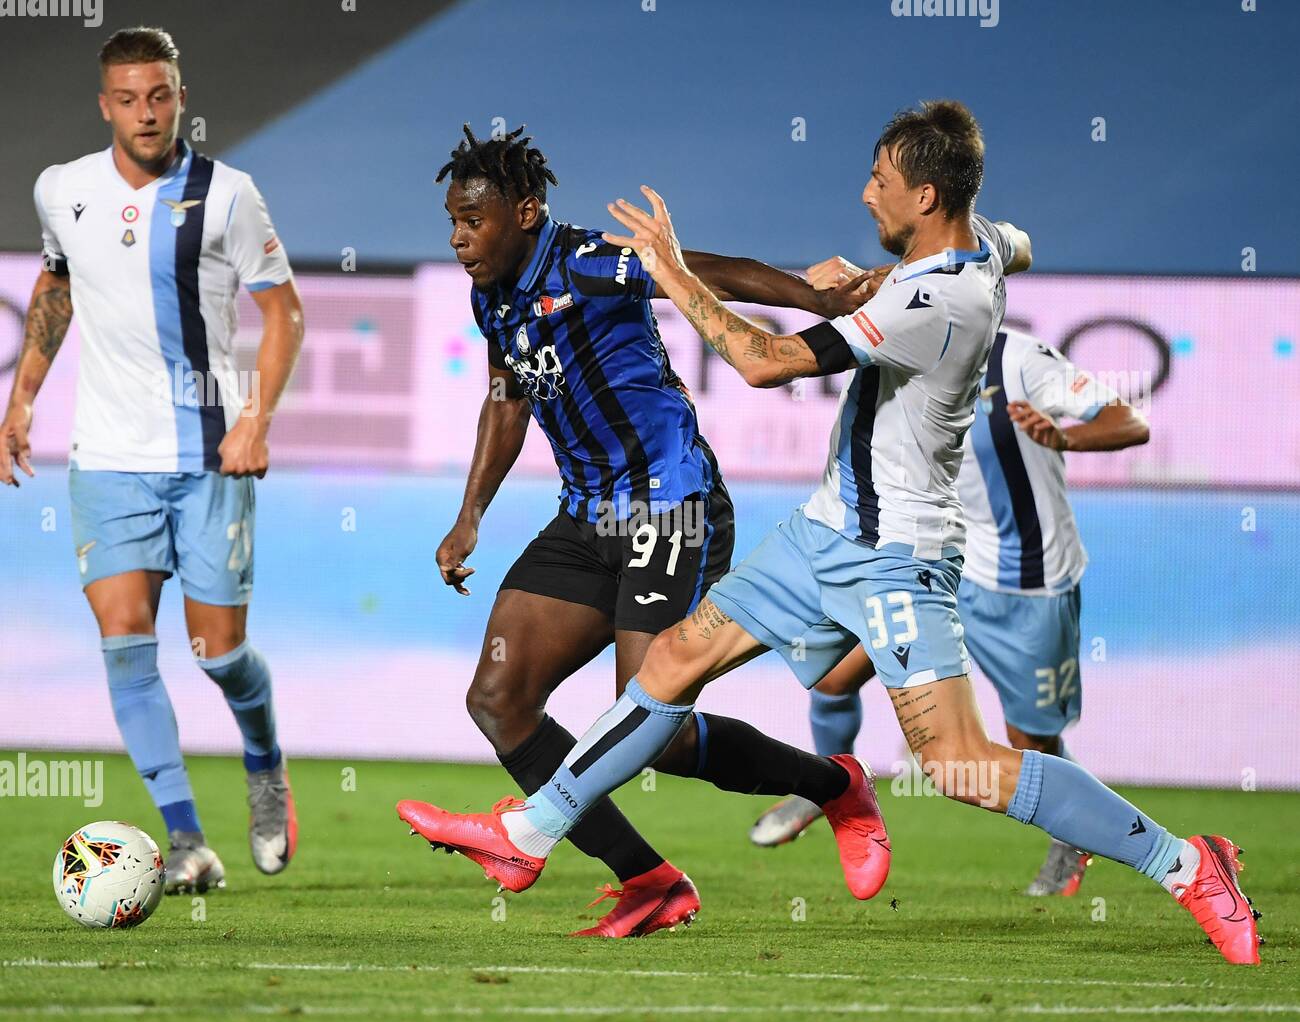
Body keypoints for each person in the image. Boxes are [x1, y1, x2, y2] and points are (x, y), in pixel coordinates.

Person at [398, 101, 1261, 966]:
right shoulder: (977, 248)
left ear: (926, 196)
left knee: (960, 765)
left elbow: (764, 362)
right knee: (669, 667)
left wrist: (670, 270)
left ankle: (1188, 863)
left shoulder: (932, 301)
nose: (864, 194)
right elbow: (1014, 241)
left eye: (880, 183)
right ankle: (536, 834)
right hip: (822, 533)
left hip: (895, 556)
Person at [430, 124, 874, 935]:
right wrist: (470, 516)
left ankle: (835, 787)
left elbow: (697, 270)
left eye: (473, 220)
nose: (459, 239)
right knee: (500, 699)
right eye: (452, 223)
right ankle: (651, 880)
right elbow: (507, 396)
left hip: (671, 506)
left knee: (654, 730)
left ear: (525, 211)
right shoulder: (490, 295)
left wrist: (811, 298)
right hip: (587, 515)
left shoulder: (589, 262)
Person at [0, 27, 305, 893]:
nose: (145, 112)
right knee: (125, 642)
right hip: (106, 460)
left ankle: (264, 760)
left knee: (217, 655)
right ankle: (185, 841)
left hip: (209, 455)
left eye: (160, 95)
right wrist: (20, 401)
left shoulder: (230, 196)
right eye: (128, 98)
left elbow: (286, 314)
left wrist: (255, 421)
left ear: (179, 95)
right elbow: (56, 285)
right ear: (105, 104)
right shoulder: (62, 190)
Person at [751, 323, 1150, 900]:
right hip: (930, 560)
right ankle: (829, 784)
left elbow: (1129, 422)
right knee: (832, 676)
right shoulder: (893, 347)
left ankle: (1077, 835)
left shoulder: (1020, 360)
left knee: (1028, 747)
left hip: (1024, 581)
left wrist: (1067, 439)